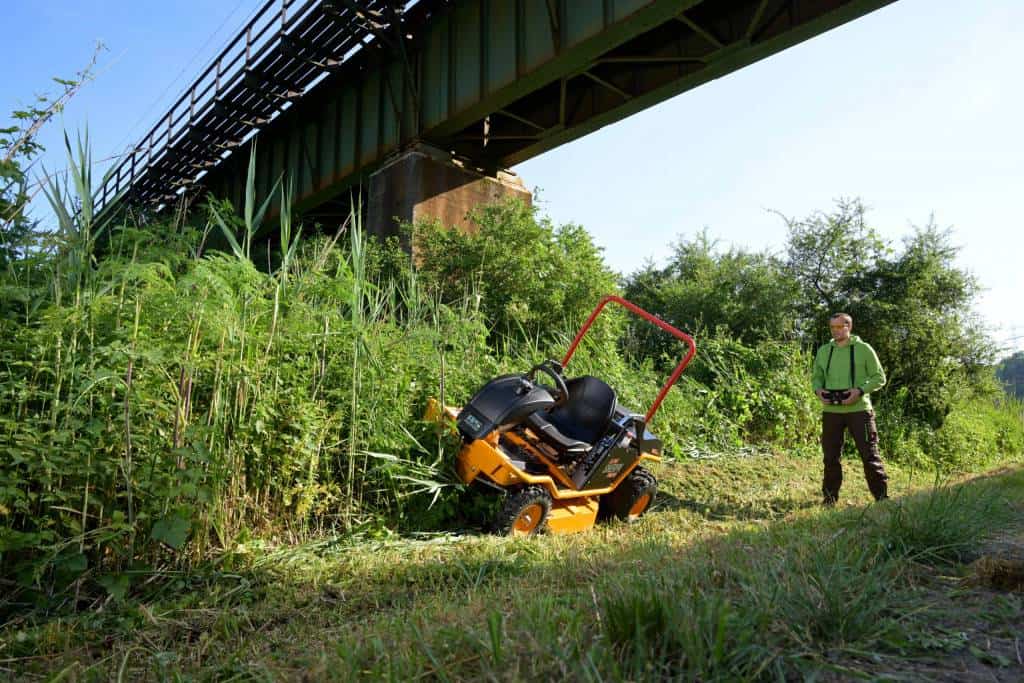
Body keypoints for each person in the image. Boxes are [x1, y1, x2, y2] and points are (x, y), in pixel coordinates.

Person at [811, 313, 888, 505]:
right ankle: (829, 500)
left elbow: (879, 377)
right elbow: (816, 376)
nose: (835, 331)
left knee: (870, 455)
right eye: (832, 327)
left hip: (859, 410)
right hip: (831, 412)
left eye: (839, 327)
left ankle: (882, 499)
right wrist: (819, 391)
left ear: (849, 326)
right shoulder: (824, 351)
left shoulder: (864, 349)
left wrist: (859, 391)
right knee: (830, 458)